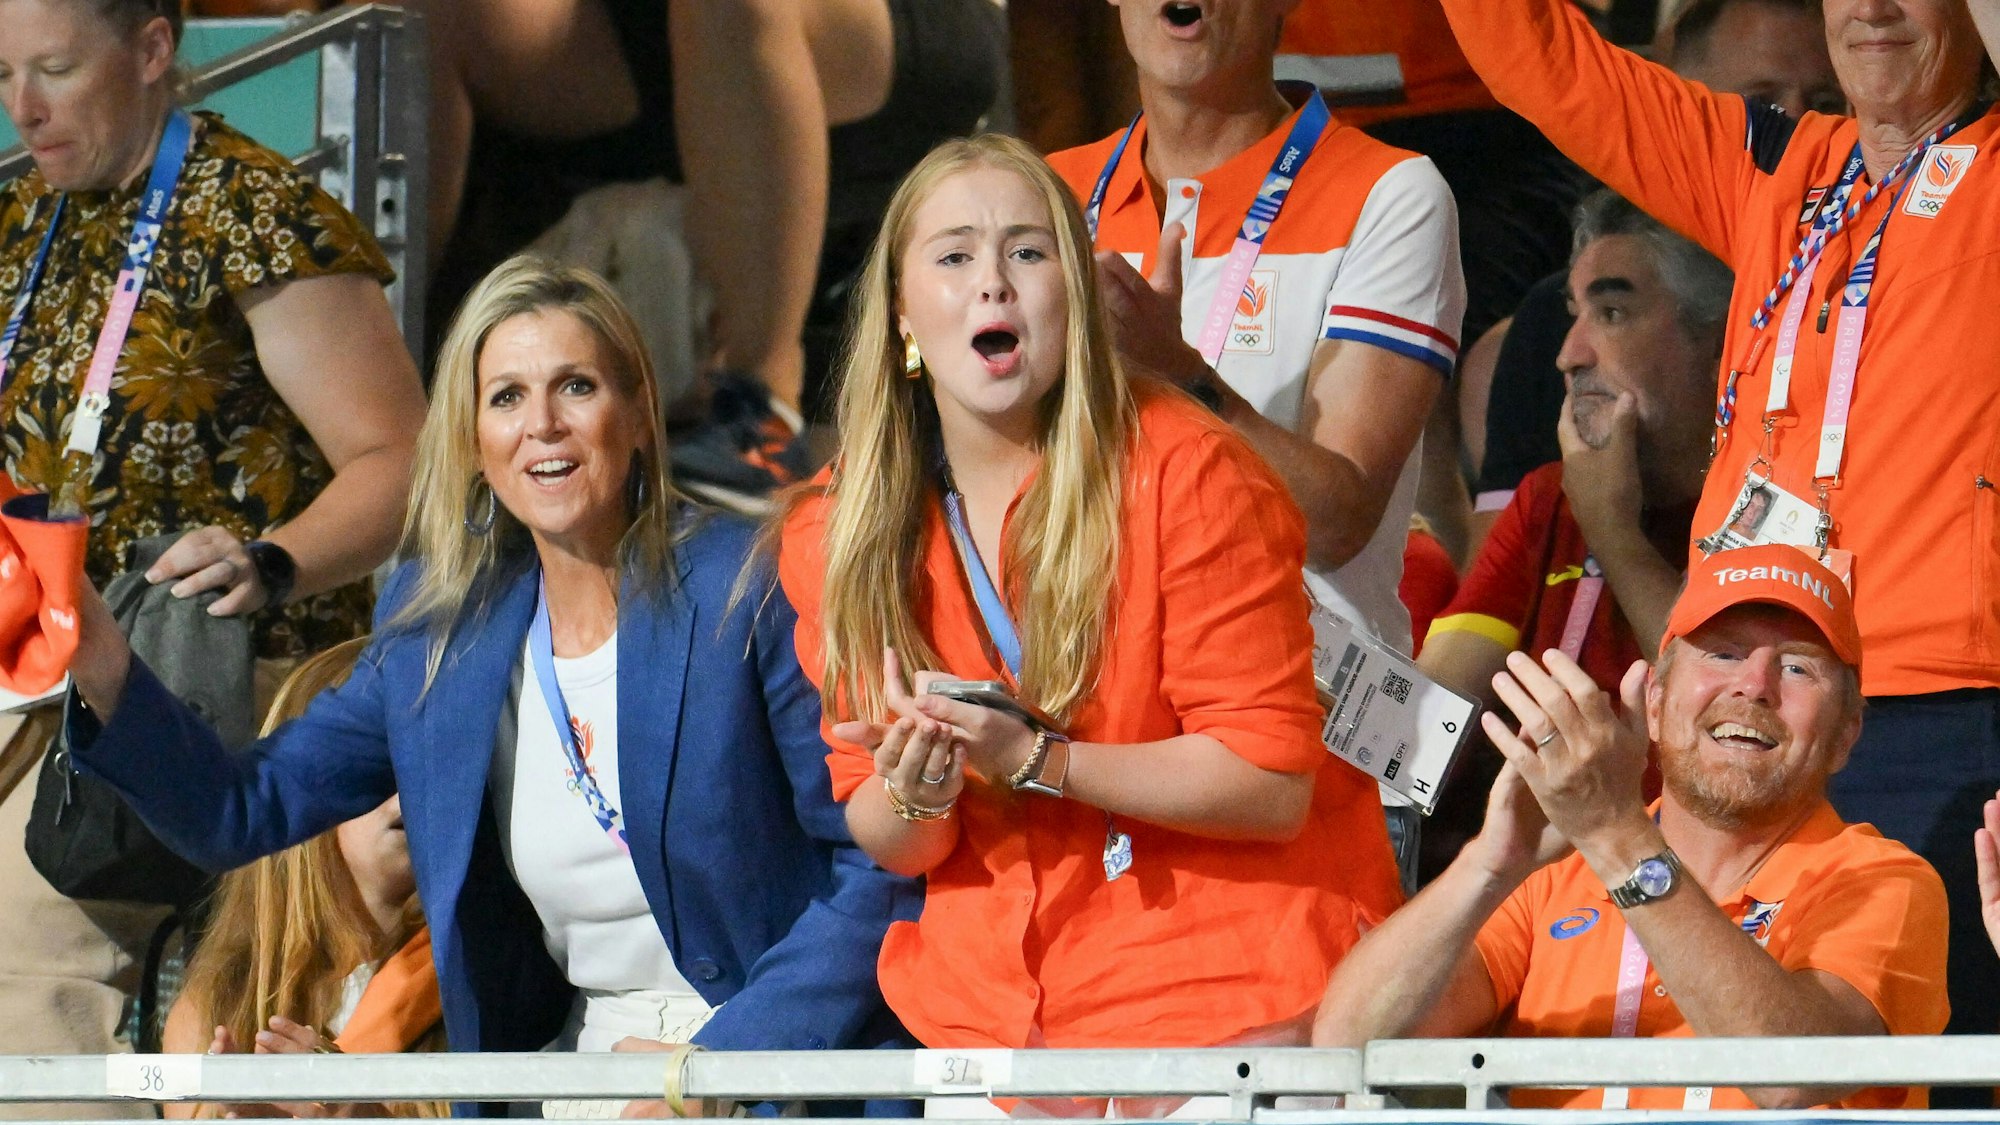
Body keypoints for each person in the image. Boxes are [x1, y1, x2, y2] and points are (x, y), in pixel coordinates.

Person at [51, 257, 918, 1116]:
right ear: (472, 440)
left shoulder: (748, 584)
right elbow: (237, 808)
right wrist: (94, 647)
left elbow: (876, 866)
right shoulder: (441, 630)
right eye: (506, 397)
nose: (541, 424)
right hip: (580, 1077)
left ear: (640, 414)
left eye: (575, 386)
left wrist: (718, 1073)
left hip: (772, 1069)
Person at [776, 134, 1401, 1115]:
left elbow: (1268, 781)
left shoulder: (1190, 471)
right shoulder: (836, 525)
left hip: (1230, 1011)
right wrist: (918, 792)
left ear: (1073, 294)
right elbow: (886, 831)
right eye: (952, 256)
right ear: (901, 315)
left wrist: (1032, 758)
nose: (992, 284)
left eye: (1026, 253)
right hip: (992, 1030)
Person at [1436, 0, 2000, 1056]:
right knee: (1730, 1060)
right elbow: (1536, 58)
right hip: (1743, 706)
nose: (1871, 9)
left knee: (1919, 1084)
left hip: (1947, 712)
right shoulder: (1773, 167)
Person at [0, 0, 423, 1110]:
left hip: (209, 684)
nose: (23, 107)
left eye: (52, 68)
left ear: (151, 50)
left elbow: (402, 461)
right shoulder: (12, 218)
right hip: (30, 668)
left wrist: (272, 561)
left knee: (29, 967)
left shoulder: (252, 209)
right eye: (3, 75)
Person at [1317, 544, 1950, 1110]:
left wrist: (1616, 837)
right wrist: (1491, 862)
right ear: (1654, 703)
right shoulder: (1551, 879)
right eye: (1725, 654)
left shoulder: (1884, 883)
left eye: (1797, 668)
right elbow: (1349, 1040)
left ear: (1846, 735)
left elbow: (1786, 1078)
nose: (1754, 686)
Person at [426, 0, 1008, 496]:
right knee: (420, 19)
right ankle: (389, 407)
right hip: (641, 28)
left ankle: (761, 407)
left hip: (864, 22)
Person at [1045, 0, 1466, 657]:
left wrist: (1181, 379)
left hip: (1303, 716)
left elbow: (1337, 523)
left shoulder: (1388, 193)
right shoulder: (1046, 198)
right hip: (1088, 699)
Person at [1464, 0, 1839, 546]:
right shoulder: (1554, 325)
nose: (1799, 131)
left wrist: (1614, 538)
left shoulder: (1861, 289)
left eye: (1826, 104)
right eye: (1762, 106)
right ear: (1678, 102)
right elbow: (1496, 592)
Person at [1424, 192, 1729, 707]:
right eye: (1574, 314)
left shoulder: (1776, 506)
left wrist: (1610, 529)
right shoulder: (1548, 498)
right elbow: (1422, 716)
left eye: (1611, 313)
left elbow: (1720, 703)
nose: (1568, 355)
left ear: (1721, 337)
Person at [164, 638, 444, 1121]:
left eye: (427, 762)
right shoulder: (217, 1000)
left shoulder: (485, 975)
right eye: (380, 763)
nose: (408, 789)